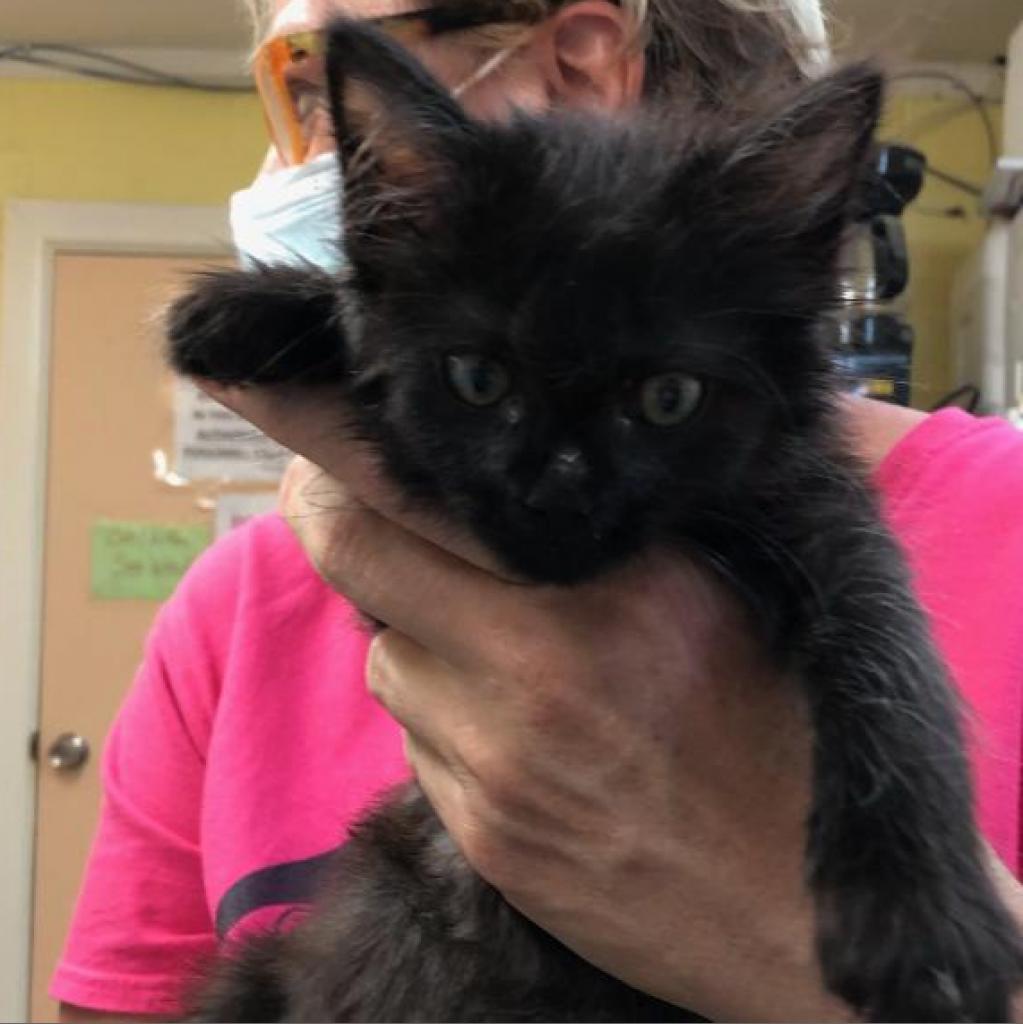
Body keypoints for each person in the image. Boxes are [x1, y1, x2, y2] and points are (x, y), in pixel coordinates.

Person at [54, 0, 1023, 1020]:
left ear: (581, 60)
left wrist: (804, 930)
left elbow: (853, 588)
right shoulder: (231, 610)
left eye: (318, 98)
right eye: (290, 99)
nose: (297, 157)